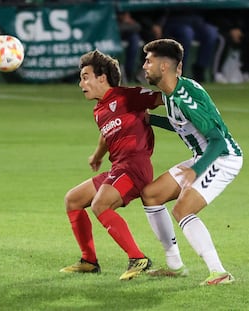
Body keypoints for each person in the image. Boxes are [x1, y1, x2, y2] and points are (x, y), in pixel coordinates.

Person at [60, 50, 183, 281]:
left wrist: (187, 110)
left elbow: (162, 97)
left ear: (102, 78)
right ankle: (89, 261)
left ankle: (138, 258)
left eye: (85, 77)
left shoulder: (129, 96)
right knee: (73, 200)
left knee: (101, 204)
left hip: (135, 167)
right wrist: (97, 156)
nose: (81, 84)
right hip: (119, 168)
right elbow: (107, 136)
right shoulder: (99, 110)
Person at [141, 38, 243, 285]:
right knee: (151, 194)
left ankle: (219, 272)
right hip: (203, 156)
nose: (144, 66)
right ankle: (175, 266)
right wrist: (151, 120)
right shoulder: (170, 92)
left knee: (182, 209)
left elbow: (217, 140)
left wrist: (195, 170)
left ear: (164, 67)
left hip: (222, 157)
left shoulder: (185, 96)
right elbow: (183, 126)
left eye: (148, 61)